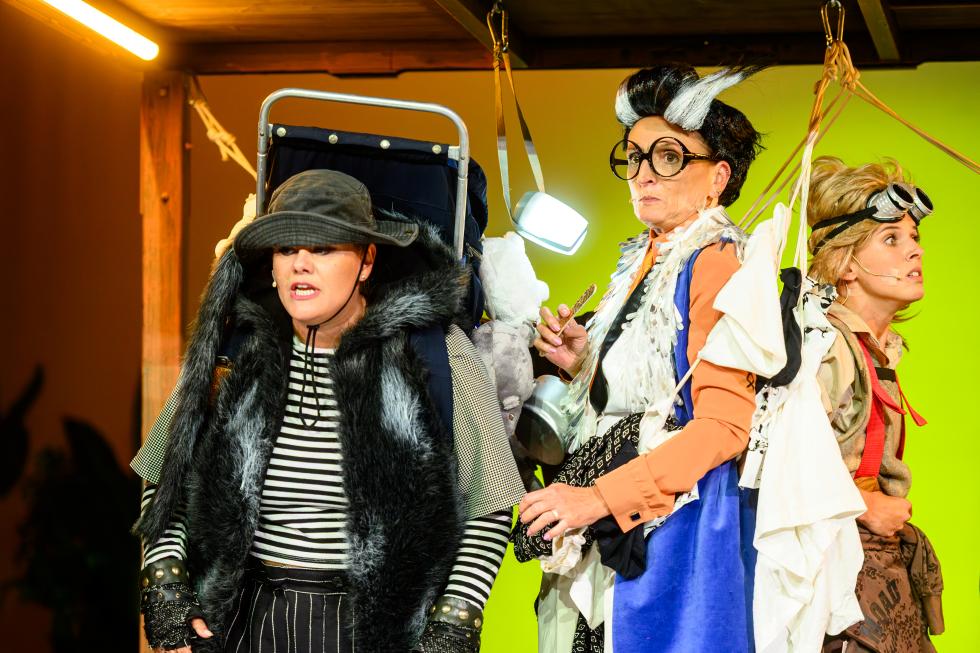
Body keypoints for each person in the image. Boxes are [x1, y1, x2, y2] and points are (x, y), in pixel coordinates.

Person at [131, 169, 526, 653]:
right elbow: (164, 478)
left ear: (366, 260)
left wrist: (452, 625)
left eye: (322, 249)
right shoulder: (236, 352)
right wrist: (167, 586)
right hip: (241, 624)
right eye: (286, 249)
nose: (300, 264)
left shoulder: (435, 355)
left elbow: (490, 504)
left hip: (370, 634)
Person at [516, 64, 763, 652]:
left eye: (669, 157)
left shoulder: (715, 260)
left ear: (718, 177)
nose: (644, 173)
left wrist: (598, 498)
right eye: (634, 157)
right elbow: (649, 386)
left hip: (667, 528)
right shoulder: (648, 256)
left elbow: (725, 426)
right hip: (619, 521)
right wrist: (584, 364)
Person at [807, 156, 944, 652]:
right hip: (834, 576)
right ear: (846, 264)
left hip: (874, 563)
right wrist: (864, 504)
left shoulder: (874, 350)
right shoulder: (826, 348)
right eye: (891, 239)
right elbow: (771, 461)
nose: (915, 251)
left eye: (914, 237)